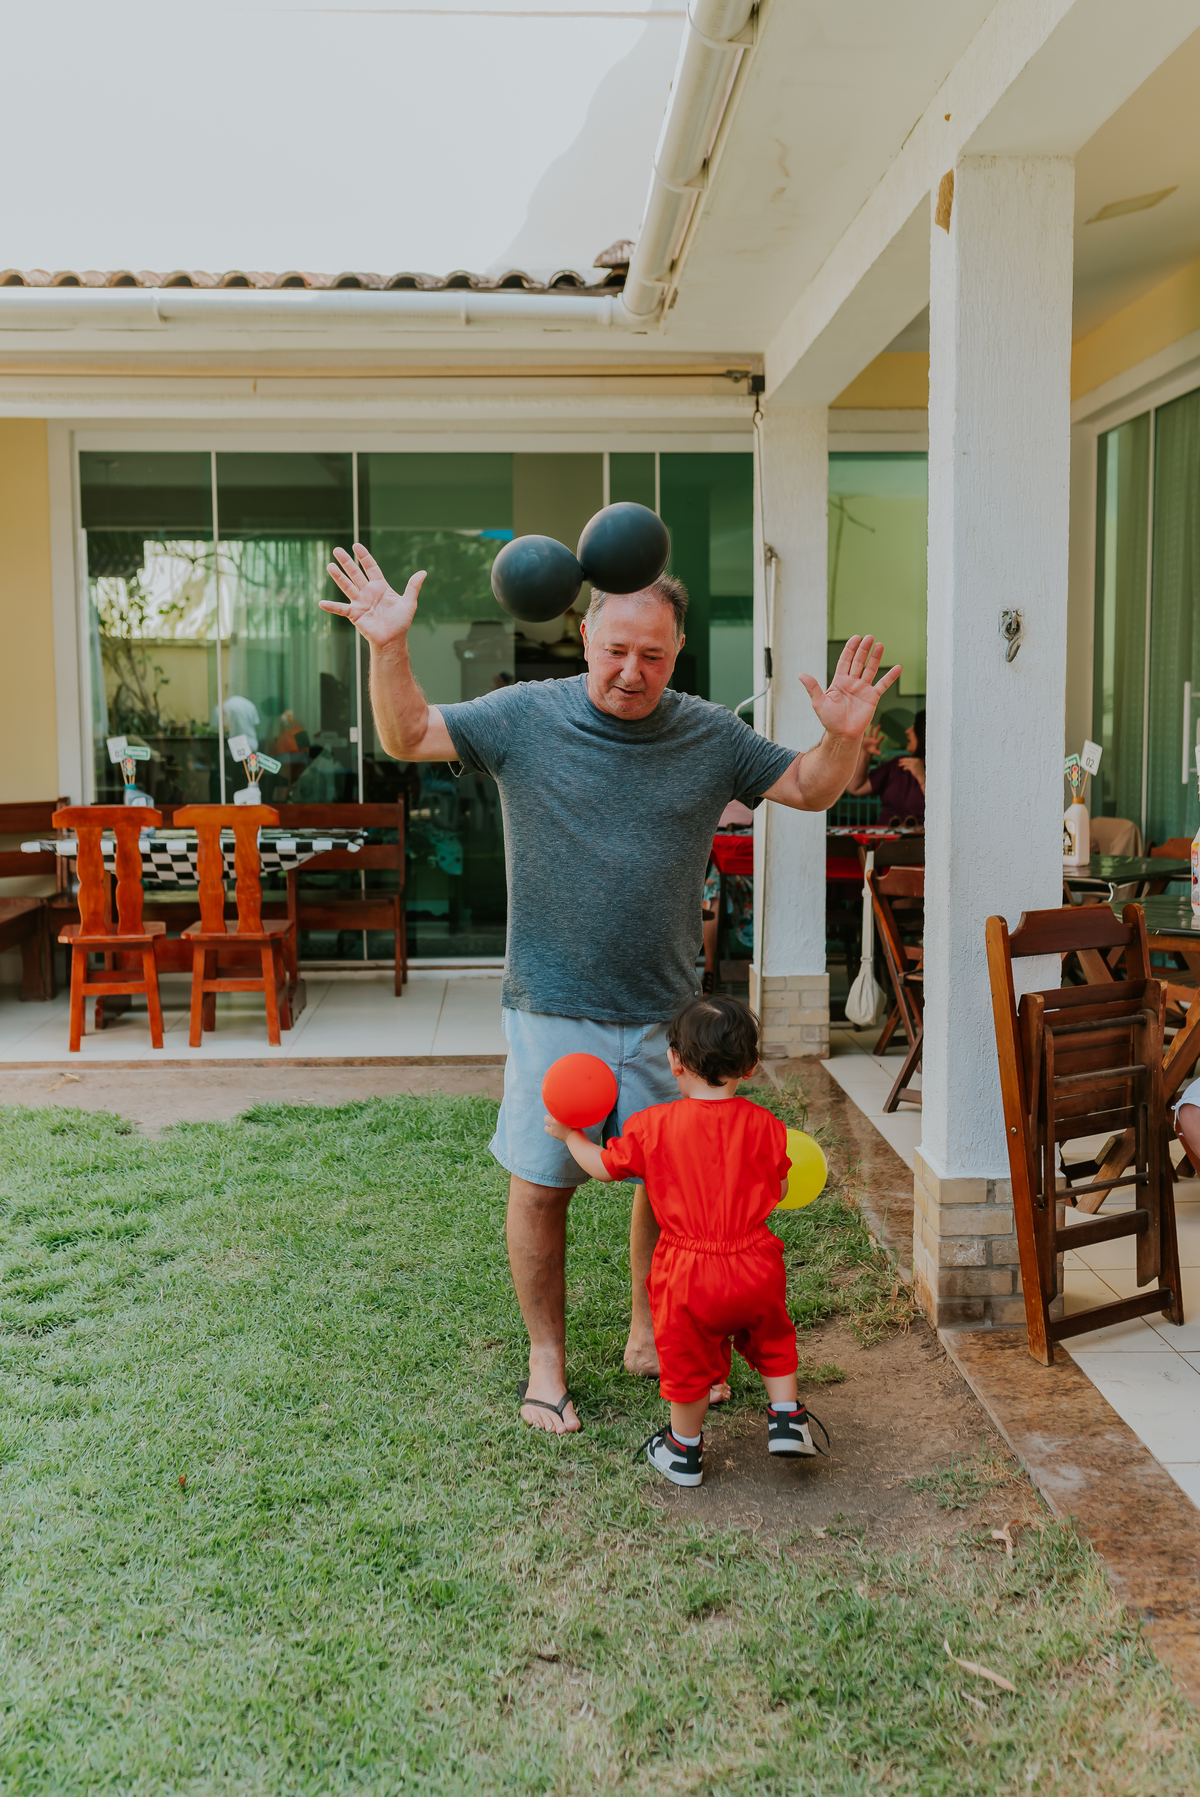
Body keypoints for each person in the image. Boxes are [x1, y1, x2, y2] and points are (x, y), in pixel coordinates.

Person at [321, 542, 899, 1435]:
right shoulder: (524, 715)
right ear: (584, 635)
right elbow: (408, 735)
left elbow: (809, 786)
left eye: (653, 655)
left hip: (669, 1015)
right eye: (616, 650)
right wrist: (389, 646)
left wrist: (844, 735)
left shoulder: (710, 733)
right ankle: (545, 1361)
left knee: (671, 1188)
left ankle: (650, 1331)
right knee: (541, 1182)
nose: (632, 671)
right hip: (554, 1005)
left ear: (678, 650)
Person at [545, 995, 823, 1486]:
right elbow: (780, 1188)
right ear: (751, 1066)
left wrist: (572, 1137)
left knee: (688, 1360)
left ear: (674, 1061)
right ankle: (787, 1419)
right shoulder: (767, 1127)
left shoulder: (653, 1127)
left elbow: (604, 1167)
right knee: (773, 1338)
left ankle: (683, 1451)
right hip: (755, 1263)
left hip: (688, 1273)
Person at [846, 709, 925, 824]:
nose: (907, 731)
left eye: (914, 726)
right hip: (884, 833)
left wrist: (922, 777)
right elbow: (855, 787)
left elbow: (942, 811)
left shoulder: (941, 773)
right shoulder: (899, 764)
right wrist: (866, 754)